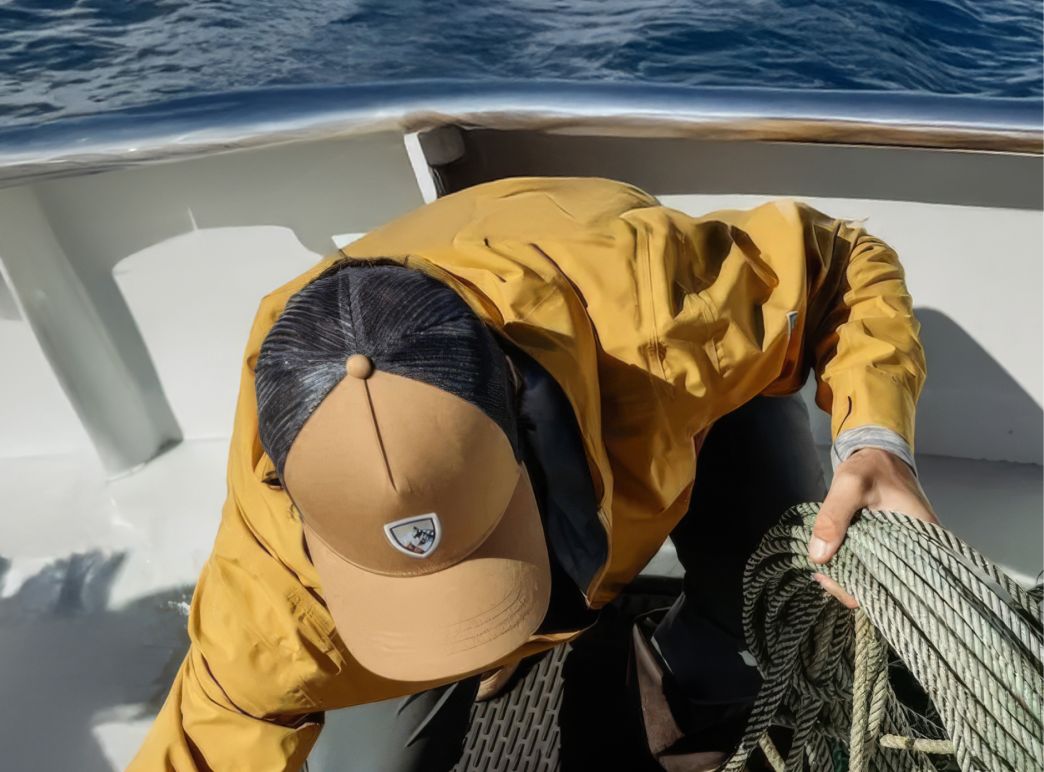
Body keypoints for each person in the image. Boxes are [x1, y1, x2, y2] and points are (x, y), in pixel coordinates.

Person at [129, 176, 938, 771]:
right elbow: (203, 740)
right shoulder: (268, 593)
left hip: (645, 383)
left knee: (783, 602)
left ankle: (686, 680)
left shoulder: (656, 313)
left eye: (483, 548)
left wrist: (873, 441)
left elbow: (839, 261)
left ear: (529, 421)